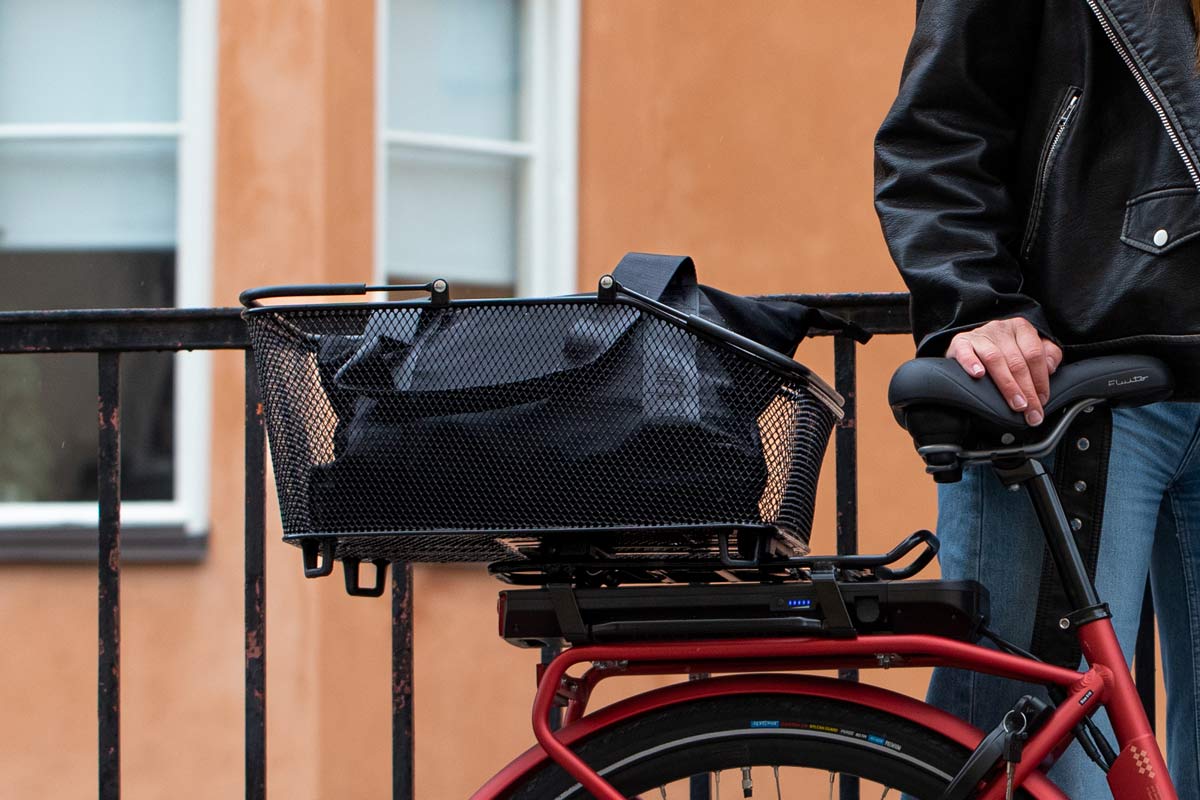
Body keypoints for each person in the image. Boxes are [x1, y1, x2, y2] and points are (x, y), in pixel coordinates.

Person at [874, 0, 1200, 795]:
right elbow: (938, 132)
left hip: (1093, 383)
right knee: (1044, 765)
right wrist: (975, 305)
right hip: (1073, 386)